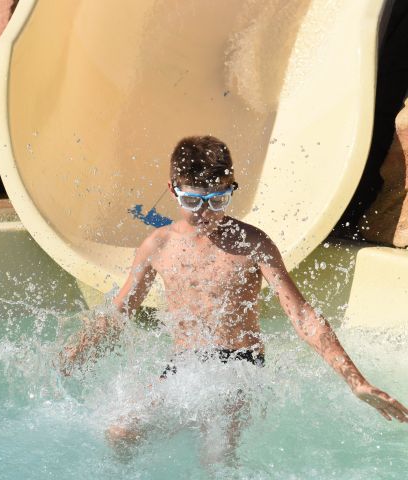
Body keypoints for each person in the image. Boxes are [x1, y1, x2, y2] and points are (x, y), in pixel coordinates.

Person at [60, 135, 408, 460]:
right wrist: (79, 349)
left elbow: (302, 315)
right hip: (184, 366)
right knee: (120, 434)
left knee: (216, 454)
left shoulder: (252, 244)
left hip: (240, 368)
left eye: (218, 201)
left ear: (231, 189)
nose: (205, 213)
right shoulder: (158, 245)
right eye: (192, 201)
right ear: (172, 190)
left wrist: (356, 381)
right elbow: (119, 311)